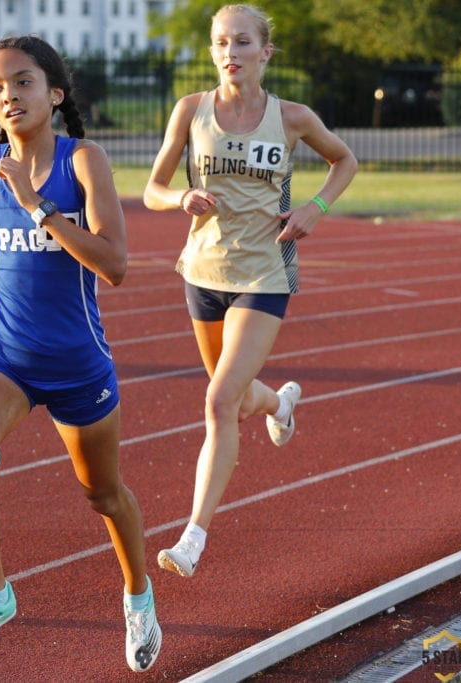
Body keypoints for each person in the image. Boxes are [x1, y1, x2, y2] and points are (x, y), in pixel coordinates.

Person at [0, 35, 161, 673]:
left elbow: (114, 264)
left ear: (54, 93)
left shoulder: (83, 160)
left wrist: (37, 208)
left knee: (104, 495)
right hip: (4, 354)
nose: (9, 95)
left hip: (77, 364)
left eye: (23, 81)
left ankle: (138, 595)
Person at [143, 3, 357, 578]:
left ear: (265, 53)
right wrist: (179, 198)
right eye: (220, 43)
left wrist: (314, 207)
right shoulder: (191, 110)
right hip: (203, 272)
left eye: (242, 43)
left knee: (217, 402)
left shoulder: (291, 117)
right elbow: (152, 188)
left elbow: (345, 160)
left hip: (265, 274)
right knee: (234, 400)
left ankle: (193, 535)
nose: (229, 53)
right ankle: (281, 402)